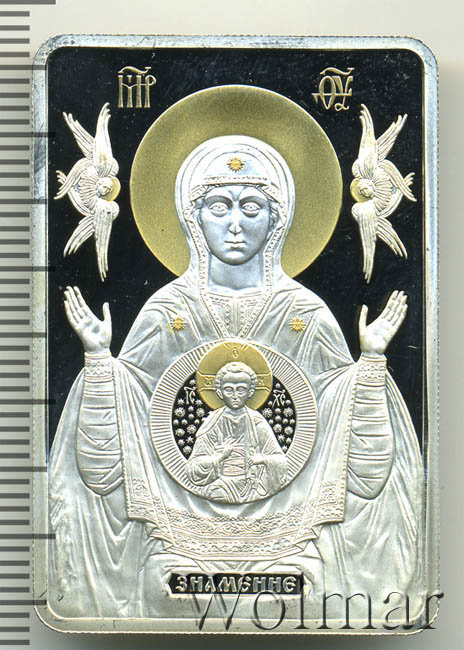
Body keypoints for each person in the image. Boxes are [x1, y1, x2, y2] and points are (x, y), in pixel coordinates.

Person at [49, 135, 423, 620]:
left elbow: (362, 470)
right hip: (181, 535)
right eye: (218, 206)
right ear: (193, 218)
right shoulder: (166, 311)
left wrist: (369, 365)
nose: (234, 224)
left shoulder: (305, 314)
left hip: (288, 537)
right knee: (162, 591)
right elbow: (104, 468)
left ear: (276, 220)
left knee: (306, 592)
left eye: (251, 207)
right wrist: (100, 362)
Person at [186, 361, 287, 503]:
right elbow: (193, 466)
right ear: (219, 393)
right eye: (229, 390)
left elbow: (280, 460)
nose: (235, 396)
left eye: (241, 390)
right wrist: (219, 457)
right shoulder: (212, 423)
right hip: (221, 484)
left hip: (253, 485)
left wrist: (262, 459)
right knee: (216, 495)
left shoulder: (257, 422)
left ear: (250, 393)